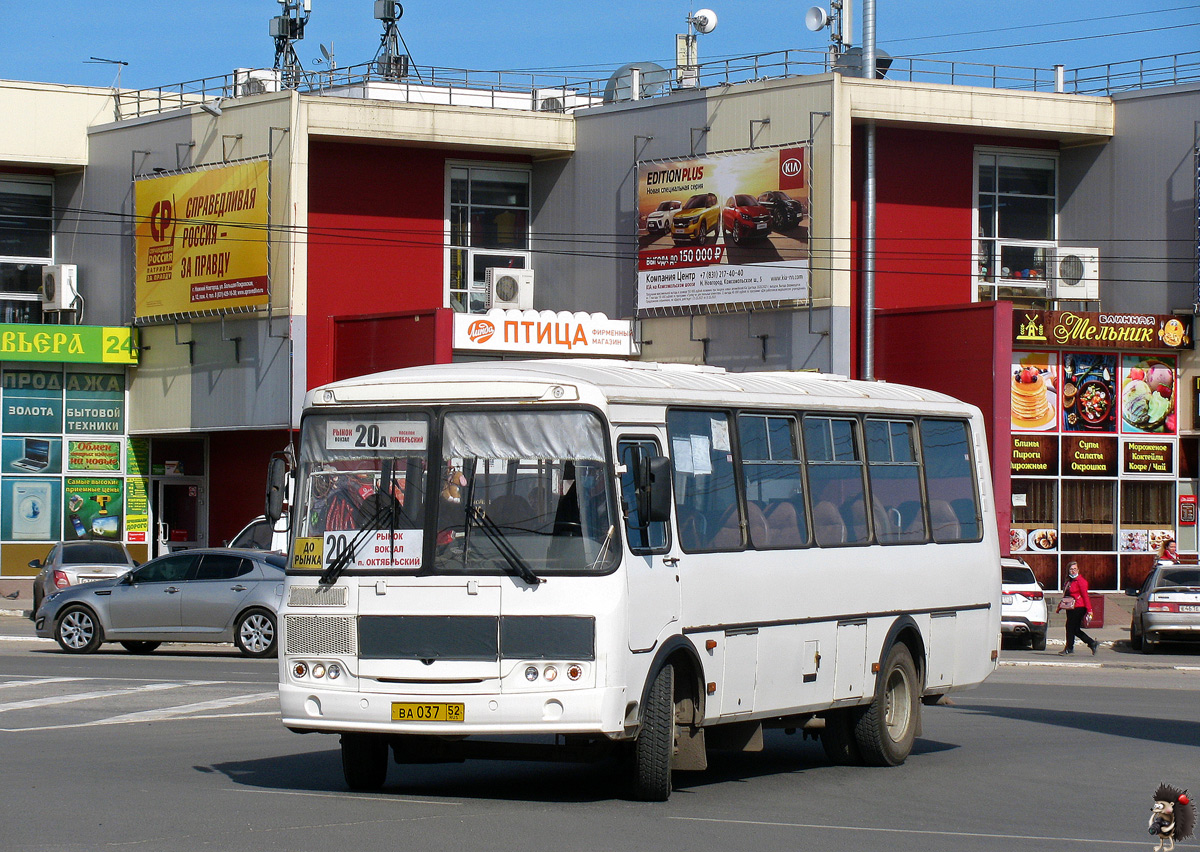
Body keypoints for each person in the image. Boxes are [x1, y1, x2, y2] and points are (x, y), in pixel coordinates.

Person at [1058, 561, 1099, 655]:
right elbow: (1066, 595)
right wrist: (1060, 606)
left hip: (1079, 607)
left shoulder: (1081, 581)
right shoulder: (1069, 581)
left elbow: (1085, 596)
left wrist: (1089, 610)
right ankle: (1092, 643)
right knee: (1074, 629)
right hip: (1071, 607)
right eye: (1071, 569)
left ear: (1078, 570)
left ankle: (1069, 648)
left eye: (1075, 569)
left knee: (1070, 627)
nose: (1073, 571)